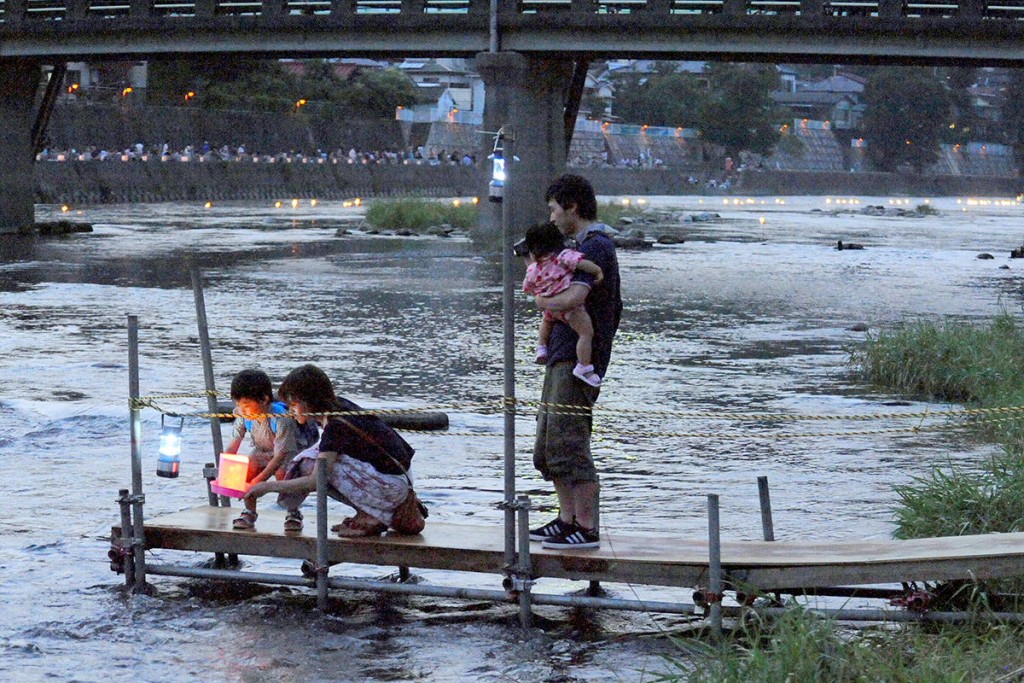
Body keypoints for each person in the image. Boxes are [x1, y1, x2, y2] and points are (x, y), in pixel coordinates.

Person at [528, 174, 622, 550]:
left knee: (570, 441)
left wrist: (540, 303)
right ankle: (565, 519)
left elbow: (571, 298)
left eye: (554, 210)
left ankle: (586, 526)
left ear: (572, 207)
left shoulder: (596, 248)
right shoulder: (571, 247)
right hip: (560, 354)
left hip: (579, 359)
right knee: (548, 445)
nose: (551, 218)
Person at [244, 364, 415, 537]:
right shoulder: (339, 407)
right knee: (312, 457)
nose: (290, 411)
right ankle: (366, 513)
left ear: (308, 402)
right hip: (399, 480)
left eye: (294, 405)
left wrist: (267, 487)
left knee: (311, 465)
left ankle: (371, 517)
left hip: (392, 488)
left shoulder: (335, 427)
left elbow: (314, 482)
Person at [520, 221, 604, 387]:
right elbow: (581, 264)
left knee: (546, 322)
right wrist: (597, 270)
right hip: (569, 308)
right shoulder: (563, 256)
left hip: (550, 310)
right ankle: (584, 366)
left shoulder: (532, 269)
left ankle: (542, 347)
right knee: (586, 333)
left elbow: (527, 287)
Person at [225, 369, 307, 532]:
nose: (242, 409)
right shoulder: (243, 415)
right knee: (247, 467)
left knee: (283, 474)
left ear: (264, 399)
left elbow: (279, 456)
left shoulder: (281, 419)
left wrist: (259, 481)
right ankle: (249, 511)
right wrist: (226, 466)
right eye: (238, 405)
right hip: (262, 450)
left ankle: (293, 512)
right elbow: (234, 442)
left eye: (246, 405)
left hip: (286, 452)